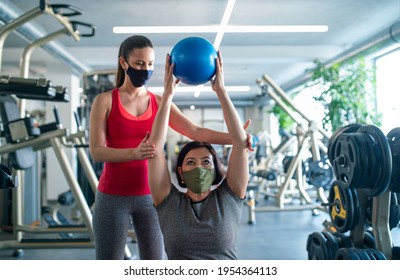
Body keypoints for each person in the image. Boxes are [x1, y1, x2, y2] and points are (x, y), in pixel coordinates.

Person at [89, 35, 251, 260]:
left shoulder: (159, 102)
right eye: (139, 64)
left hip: (151, 196)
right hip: (113, 195)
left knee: (154, 263)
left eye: (150, 64)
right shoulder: (105, 101)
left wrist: (238, 138)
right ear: (123, 63)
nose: (145, 69)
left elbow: (195, 132)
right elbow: (96, 151)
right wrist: (134, 153)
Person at [147, 50, 249, 260]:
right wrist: (167, 95)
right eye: (191, 162)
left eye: (206, 162)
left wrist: (221, 91)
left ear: (216, 169)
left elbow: (239, 143)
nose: (199, 168)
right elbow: (154, 150)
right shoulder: (169, 203)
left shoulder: (229, 198)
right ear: (180, 172)